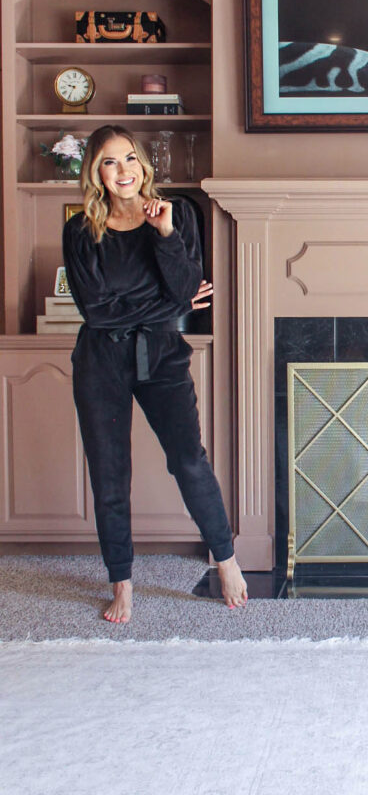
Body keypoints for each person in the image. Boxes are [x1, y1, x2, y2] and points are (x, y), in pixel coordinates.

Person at [63, 124, 247, 623]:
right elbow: (97, 311)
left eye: (129, 159)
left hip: (163, 355)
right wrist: (165, 302)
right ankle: (122, 583)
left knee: (188, 459)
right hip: (101, 359)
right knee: (109, 474)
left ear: (143, 165)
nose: (122, 171)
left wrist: (165, 235)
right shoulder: (82, 230)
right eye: (108, 161)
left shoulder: (178, 214)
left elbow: (191, 285)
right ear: (96, 173)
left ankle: (225, 559)